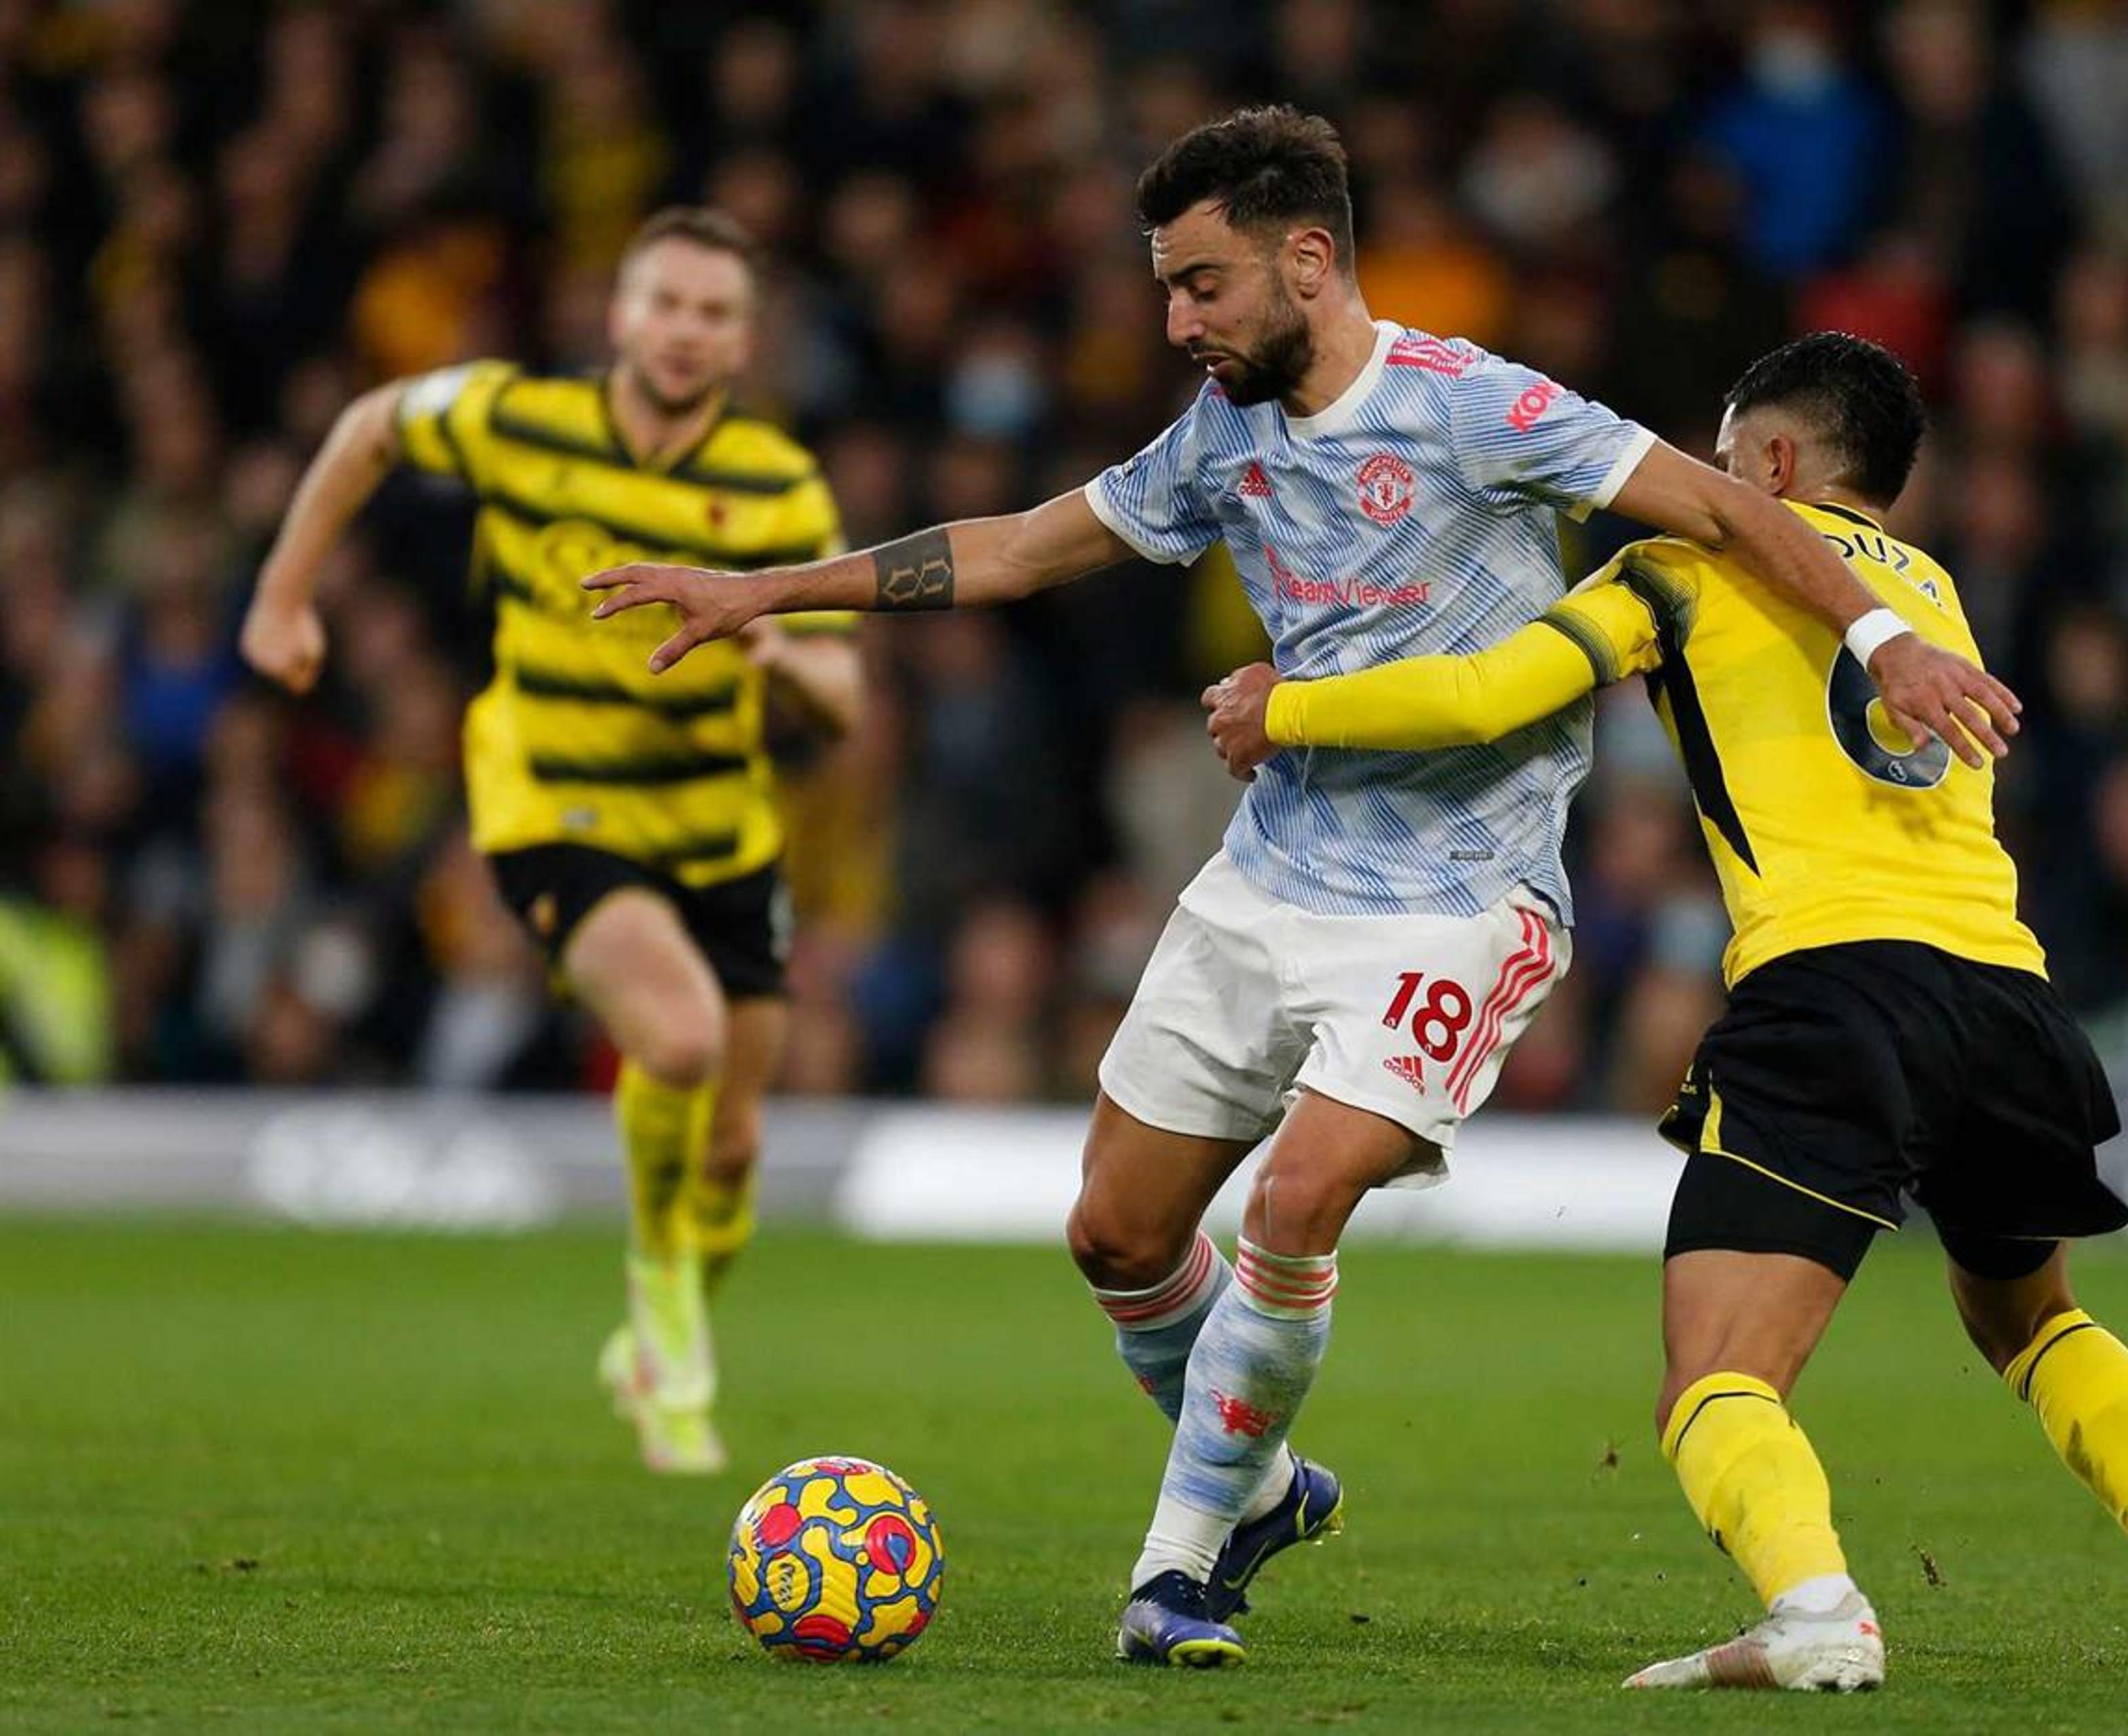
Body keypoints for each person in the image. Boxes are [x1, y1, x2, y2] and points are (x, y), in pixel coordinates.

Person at [583, 111, 2019, 1666]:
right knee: (1117, 1235)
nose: (1178, 321)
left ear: (1309, 258)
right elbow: (1012, 545)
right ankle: (1258, 1482)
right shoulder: (1220, 438)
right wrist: (767, 589)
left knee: (1295, 1194)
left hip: (1463, 896)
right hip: (1273, 872)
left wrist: (1888, 639)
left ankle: (1179, 1565)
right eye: (1168, 288)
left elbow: (1731, 506)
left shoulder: (1482, 405)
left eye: (1202, 285)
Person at [1203, 331, 2128, 1692]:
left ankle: (1816, 1610)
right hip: (2007, 993)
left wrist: (1297, 705)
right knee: (2034, 1319)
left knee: (1715, 1375)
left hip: (1835, 989)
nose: (1703, 476)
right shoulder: (1935, 595)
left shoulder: (1682, 562)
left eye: (1724, 455)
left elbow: (1494, 689)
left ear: (1775, 460)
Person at [239, 207, 863, 1476]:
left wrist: (776, 644)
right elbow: (370, 428)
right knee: (678, 1036)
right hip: (551, 795)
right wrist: (282, 594)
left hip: (719, 821)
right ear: (621, 316)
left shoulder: (779, 488)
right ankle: (655, 1293)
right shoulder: (518, 419)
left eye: (714, 312)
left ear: (744, 340)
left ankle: (659, 1329)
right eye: (667, 304)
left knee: (736, 1148)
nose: (687, 332)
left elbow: (845, 701)